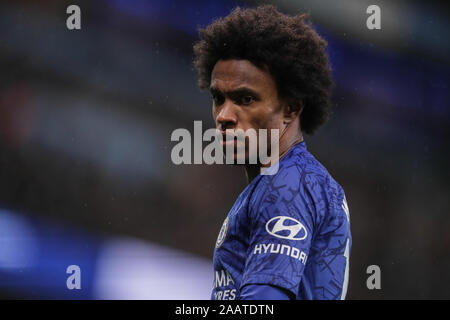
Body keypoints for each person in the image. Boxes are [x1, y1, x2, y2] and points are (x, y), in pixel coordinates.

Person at [193, 5, 351, 300]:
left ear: (290, 109)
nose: (223, 115)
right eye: (218, 98)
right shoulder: (286, 181)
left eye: (245, 98)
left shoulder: (286, 186)